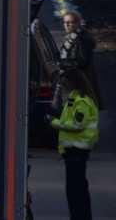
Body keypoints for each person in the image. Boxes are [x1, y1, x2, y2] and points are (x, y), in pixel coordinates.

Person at [47, 69, 99, 220]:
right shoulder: (75, 99)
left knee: (75, 189)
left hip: (77, 150)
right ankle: (80, 216)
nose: (63, 87)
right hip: (74, 151)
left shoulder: (81, 101)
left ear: (72, 83)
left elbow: (77, 124)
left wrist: (53, 122)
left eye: (64, 84)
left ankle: (79, 216)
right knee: (77, 188)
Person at [56, 11, 105, 110]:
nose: (67, 25)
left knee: (80, 112)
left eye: (70, 22)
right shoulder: (68, 39)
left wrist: (62, 63)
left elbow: (82, 62)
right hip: (71, 81)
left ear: (78, 23)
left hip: (81, 83)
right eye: (65, 22)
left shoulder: (82, 40)